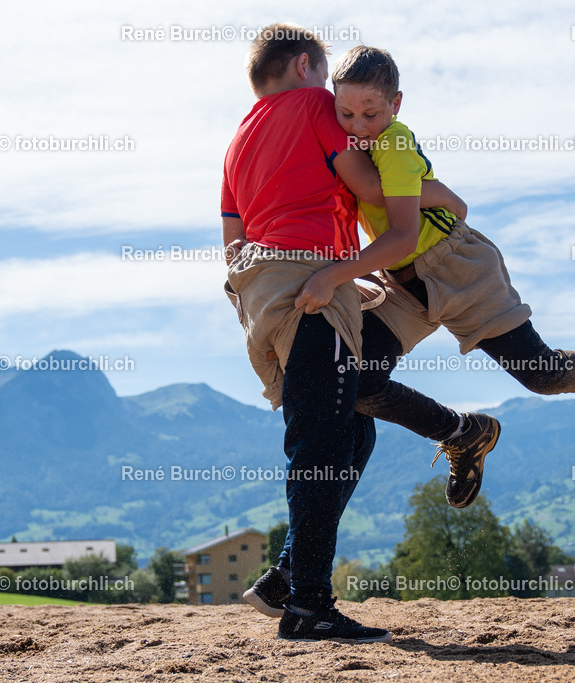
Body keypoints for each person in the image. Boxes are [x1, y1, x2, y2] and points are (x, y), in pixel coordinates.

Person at [292, 45, 575, 505]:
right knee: (357, 379)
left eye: (370, 113)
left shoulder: (392, 145)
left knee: (542, 374)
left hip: (457, 268)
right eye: (345, 112)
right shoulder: (350, 142)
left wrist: (333, 275)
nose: (358, 124)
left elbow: (404, 237)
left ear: (396, 104)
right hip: (402, 285)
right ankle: (463, 434)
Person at [223, 24, 498, 641]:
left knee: (351, 432)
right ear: (305, 66)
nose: (347, 115)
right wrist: (439, 196)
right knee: (321, 441)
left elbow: (231, 233)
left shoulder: (240, 136)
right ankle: (309, 607)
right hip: (312, 281)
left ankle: (286, 582)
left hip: (258, 291)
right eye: (329, 83)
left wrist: (265, 289)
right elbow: (373, 187)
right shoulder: (316, 105)